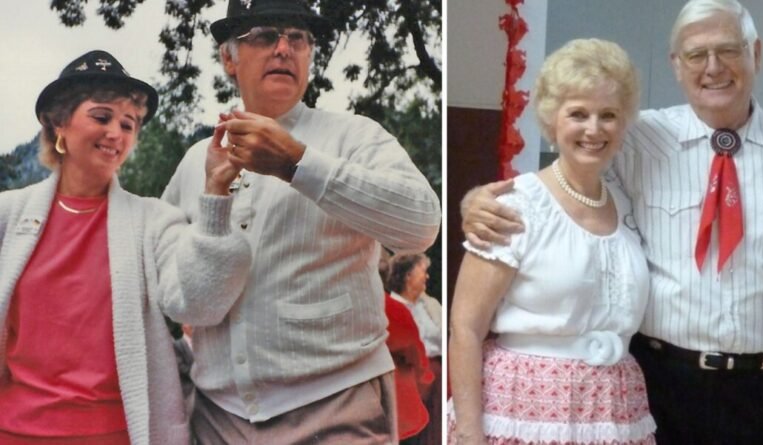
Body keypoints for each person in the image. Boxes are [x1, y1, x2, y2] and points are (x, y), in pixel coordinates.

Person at [460, 0, 763, 443]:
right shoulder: (639, 137)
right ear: (676, 65)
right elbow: (566, 174)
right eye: (696, 54)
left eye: (729, 50)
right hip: (660, 387)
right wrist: (473, 200)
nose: (713, 68)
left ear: (755, 53)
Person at [160, 0, 442, 443]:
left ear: (310, 54)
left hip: (335, 406)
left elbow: (421, 225)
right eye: (265, 35)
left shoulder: (354, 136)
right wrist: (214, 198)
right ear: (228, 58)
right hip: (218, 419)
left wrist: (298, 164)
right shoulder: (196, 162)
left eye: (298, 37)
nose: (283, 48)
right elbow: (185, 305)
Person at [0, 50, 251, 444]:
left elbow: (200, 304)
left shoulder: (153, 221)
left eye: (128, 124)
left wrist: (216, 194)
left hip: (118, 434)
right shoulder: (7, 216)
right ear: (58, 123)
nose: (116, 133)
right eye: (101, 117)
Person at [448, 38, 655, 445]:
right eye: (578, 113)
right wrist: (470, 435)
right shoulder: (516, 204)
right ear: (551, 119)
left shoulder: (629, 202)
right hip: (523, 407)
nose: (594, 129)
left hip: (614, 408)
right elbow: (466, 326)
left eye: (608, 115)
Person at [387, 253, 443, 444]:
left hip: (435, 377)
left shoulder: (429, 305)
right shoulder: (392, 307)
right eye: (423, 271)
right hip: (411, 379)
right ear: (407, 275)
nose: (427, 276)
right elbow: (409, 349)